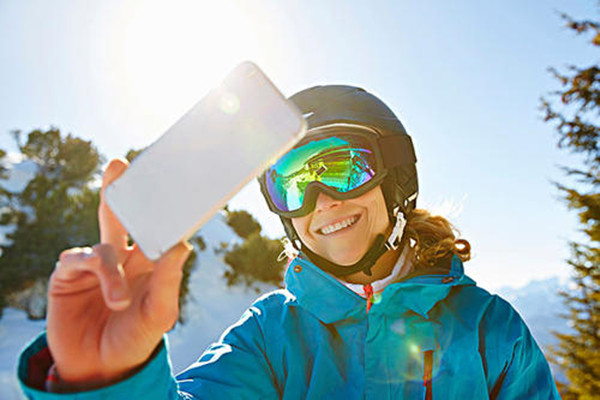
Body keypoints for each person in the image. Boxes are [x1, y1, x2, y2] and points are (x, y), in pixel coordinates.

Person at [17, 85, 560, 399]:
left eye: (342, 168)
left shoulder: (489, 330)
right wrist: (110, 381)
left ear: (396, 179)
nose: (321, 201)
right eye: (294, 184)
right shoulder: (270, 335)